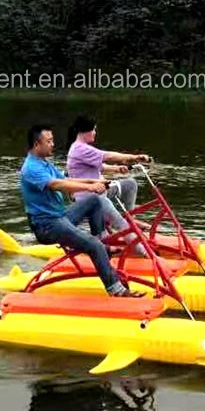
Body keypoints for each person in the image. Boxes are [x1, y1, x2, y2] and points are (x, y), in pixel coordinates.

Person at [20, 124, 143, 298]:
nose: (53, 144)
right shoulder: (31, 168)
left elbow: (67, 178)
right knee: (94, 245)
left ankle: (102, 245)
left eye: (52, 140)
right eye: (49, 141)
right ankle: (117, 290)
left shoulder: (44, 164)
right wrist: (92, 187)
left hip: (60, 217)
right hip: (47, 226)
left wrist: (92, 183)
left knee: (94, 201)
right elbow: (58, 185)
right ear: (36, 145)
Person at [66, 115, 151, 255]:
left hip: (102, 190)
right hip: (91, 198)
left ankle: (129, 219)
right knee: (123, 226)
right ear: (86, 131)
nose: (95, 133)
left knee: (130, 184)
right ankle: (146, 256)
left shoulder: (83, 148)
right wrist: (134, 157)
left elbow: (100, 165)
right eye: (93, 130)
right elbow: (108, 156)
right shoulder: (79, 149)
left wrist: (117, 169)